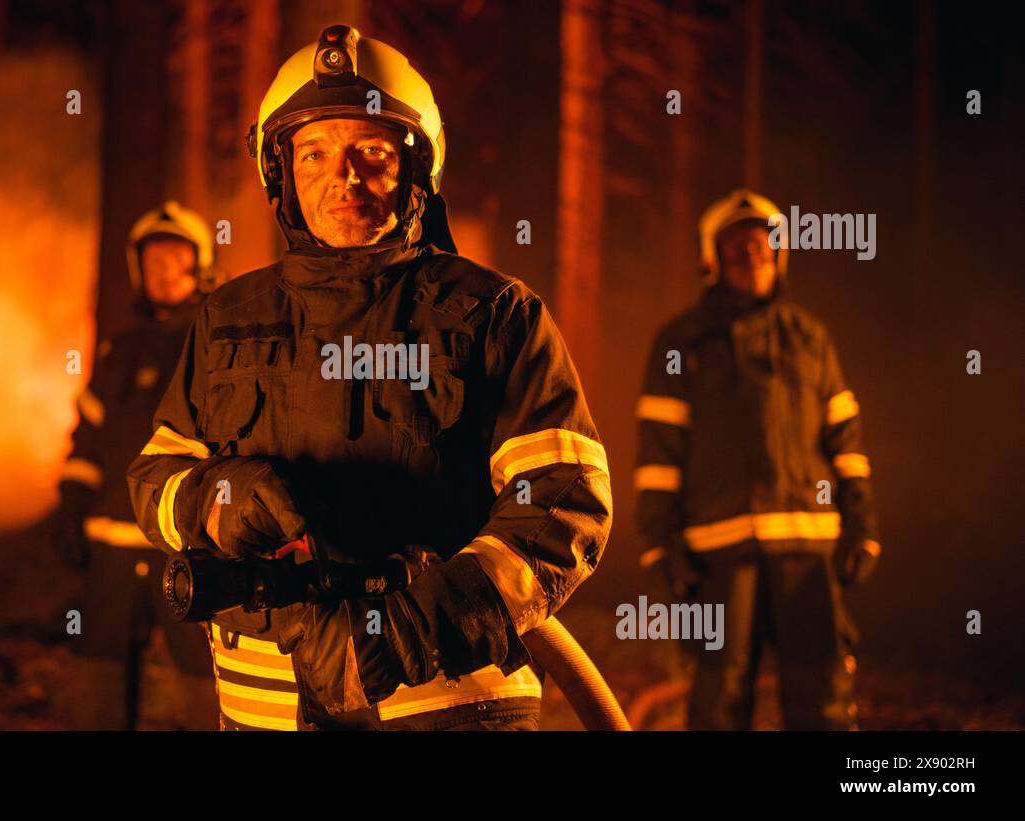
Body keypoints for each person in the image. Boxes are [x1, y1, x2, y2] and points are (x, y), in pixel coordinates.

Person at [128, 25, 612, 731]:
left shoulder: (493, 315)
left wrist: (403, 633)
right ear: (279, 172)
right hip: (262, 710)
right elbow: (156, 476)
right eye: (314, 153)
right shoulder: (228, 317)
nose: (342, 178)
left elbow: (565, 503)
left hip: (447, 706)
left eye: (372, 154)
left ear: (417, 170)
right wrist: (219, 497)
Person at [634, 189, 881, 730]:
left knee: (822, 695)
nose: (753, 253)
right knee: (720, 695)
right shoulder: (682, 342)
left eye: (763, 242)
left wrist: (862, 524)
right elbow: (658, 457)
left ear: (780, 252)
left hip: (808, 546)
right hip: (719, 554)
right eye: (738, 245)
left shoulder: (810, 339)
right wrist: (661, 546)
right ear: (712, 258)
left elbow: (846, 441)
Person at [53, 202, 219, 729]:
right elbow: (87, 442)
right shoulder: (118, 351)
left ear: (200, 266)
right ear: (137, 270)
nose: (164, 270)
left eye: (175, 257)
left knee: (206, 679)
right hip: (112, 549)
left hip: (190, 548)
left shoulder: (216, 345)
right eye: (154, 260)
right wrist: (72, 505)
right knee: (98, 675)